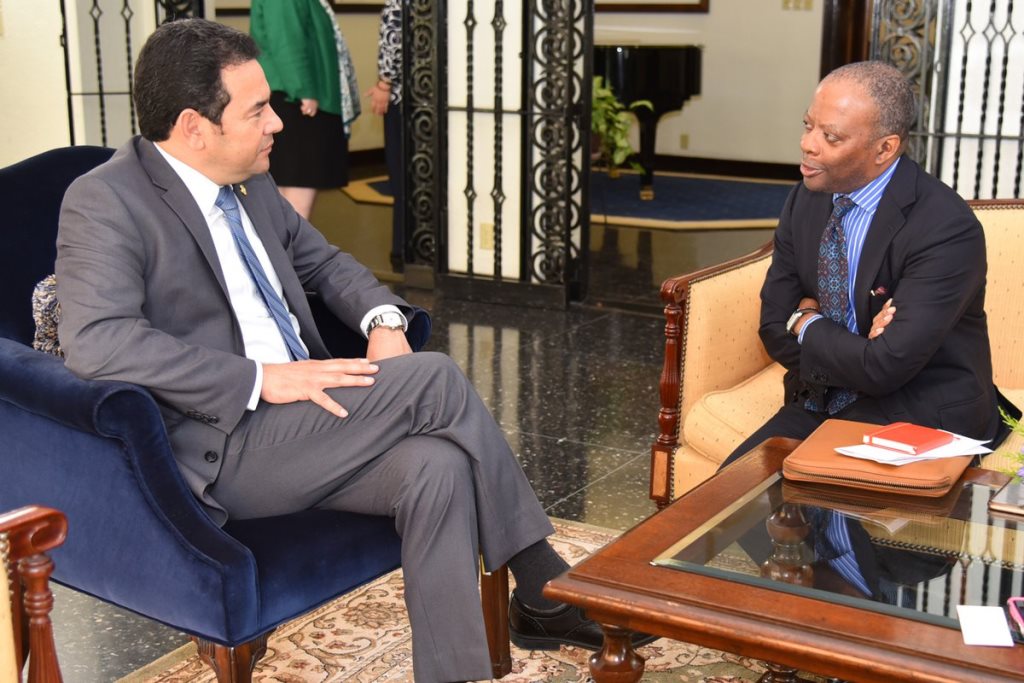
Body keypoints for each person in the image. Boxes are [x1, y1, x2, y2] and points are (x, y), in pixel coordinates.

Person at [54, 19, 651, 683]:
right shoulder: (105, 199)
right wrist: (259, 378)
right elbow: (97, 340)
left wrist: (383, 319)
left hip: (309, 416)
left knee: (437, 466)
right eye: (257, 110)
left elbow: (326, 263)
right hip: (221, 441)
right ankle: (542, 587)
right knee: (435, 381)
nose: (277, 123)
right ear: (195, 127)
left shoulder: (250, 182)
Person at [721, 60, 1017, 468]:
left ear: (885, 148)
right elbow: (773, 326)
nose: (808, 144)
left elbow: (885, 368)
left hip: (916, 411)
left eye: (830, 137)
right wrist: (861, 350)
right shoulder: (806, 197)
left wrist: (806, 321)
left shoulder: (945, 227)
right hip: (818, 399)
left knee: (825, 494)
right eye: (808, 126)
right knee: (730, 489)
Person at [249, 0, 359, 219]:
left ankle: (286, 242)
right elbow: (286, 40)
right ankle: (290, 243)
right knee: (297, 189)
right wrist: (303, 90)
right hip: (297, 101)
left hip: (297, 98)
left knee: (288, 192)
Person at [366, 0, 406, 273]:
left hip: (402, 101)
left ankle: (401, 250)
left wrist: (384, 84)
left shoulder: (397, 3)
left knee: (401, 175)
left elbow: (394, 39)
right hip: (430, 101)